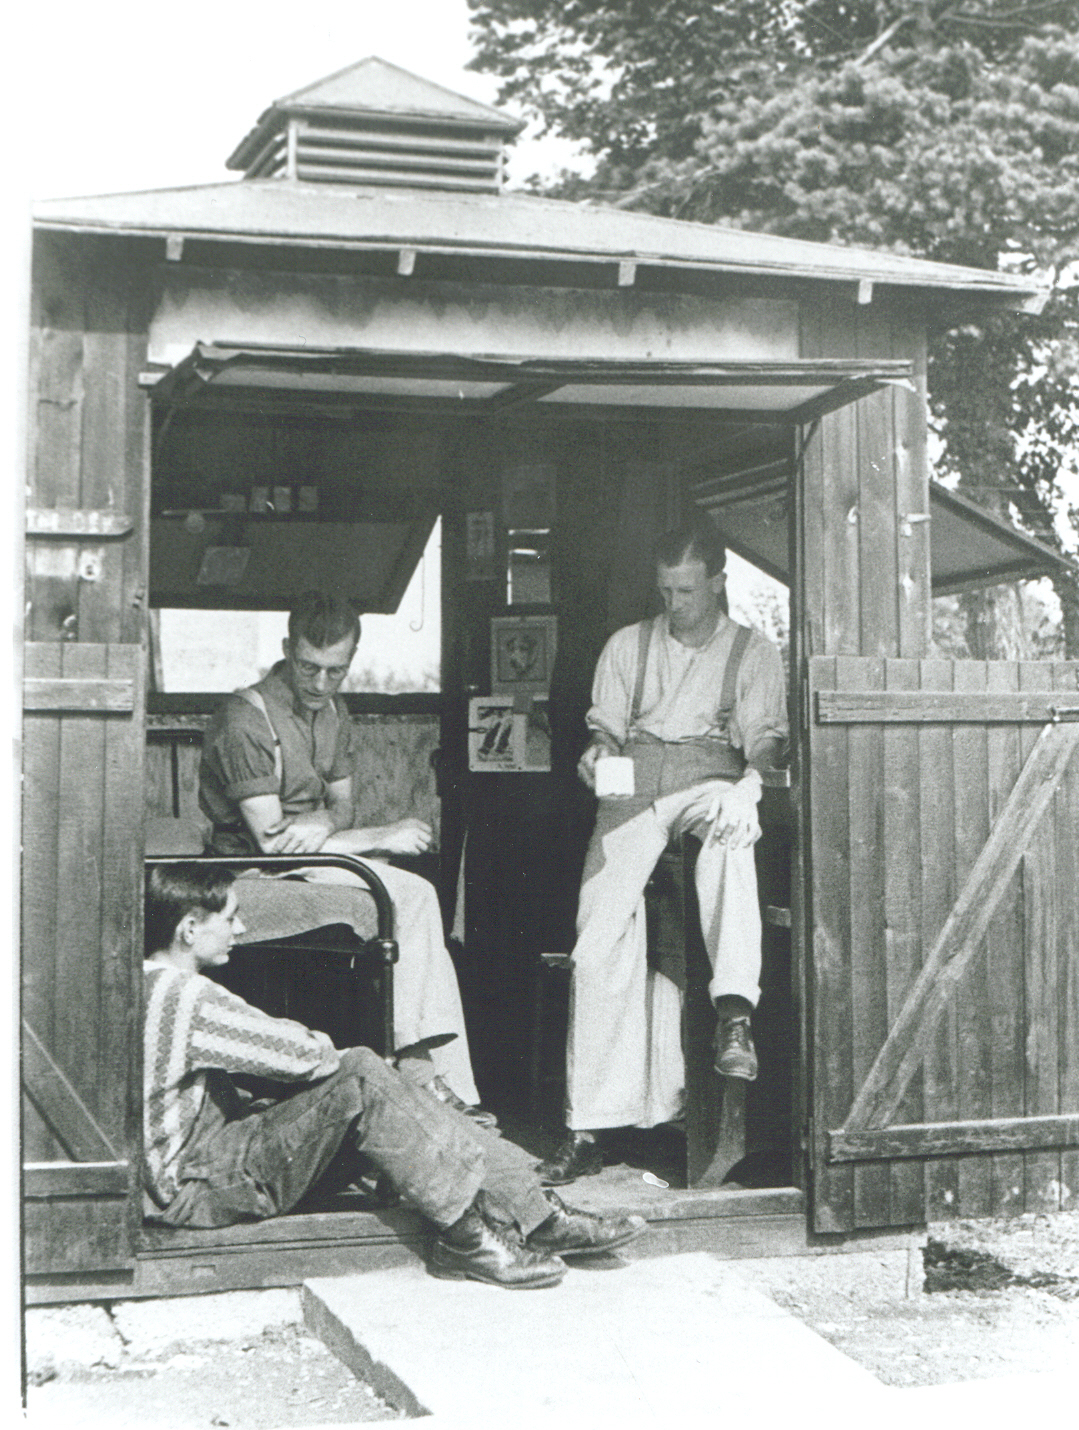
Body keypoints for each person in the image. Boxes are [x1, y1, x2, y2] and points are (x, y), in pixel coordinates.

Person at [143, 863, 645, 1288]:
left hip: (212, 1167)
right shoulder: (187, 998)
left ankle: (535, 1216)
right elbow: (299, 1054)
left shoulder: (155, 984)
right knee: (364, 1070)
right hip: (196, 1188)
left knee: (382, 1085)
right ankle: (473, 1234)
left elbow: (271, 1043)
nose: (242, 929)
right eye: (231, 918)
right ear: (189, 928)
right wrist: (320, 1046)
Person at [540, 519, 788, 1185]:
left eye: (685, 591)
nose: (673, 604)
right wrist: (598, 757)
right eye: (664, 591)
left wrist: (752, 787)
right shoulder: (629, 645)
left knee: (734, 835)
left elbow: (764, 740)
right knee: (596, 943)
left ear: (716, 584)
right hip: (635, 794)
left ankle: (735, 1013)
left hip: (710, 784)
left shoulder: (753, 654)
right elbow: (606, 732)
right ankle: (588, 1125)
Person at [199, 593, 484, 1120]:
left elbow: (342, 804)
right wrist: (384, 834)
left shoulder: (332, 709)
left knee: (415, 893)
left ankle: (434, 1077)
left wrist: (324, 823)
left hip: (312, 860)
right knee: (407, 896)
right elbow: (274, 843)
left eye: (337, 671)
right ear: (287, 650)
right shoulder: (245, 718)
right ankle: (422, 1073)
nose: (322, 684)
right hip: (252, 872)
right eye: (309, 668)